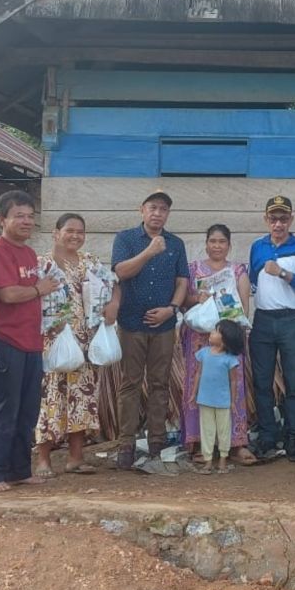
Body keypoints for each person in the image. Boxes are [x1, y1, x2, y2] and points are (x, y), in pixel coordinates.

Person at [0, 190, 61, 493]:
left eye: (30, 216)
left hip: (31, 342)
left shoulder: (28, 253)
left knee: (27, 411)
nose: (27, 221)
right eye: (19, 216)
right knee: (3, 409)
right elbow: (8, 294)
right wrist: (41, 289)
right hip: (4, 341)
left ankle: (18, 470)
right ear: (2, 219)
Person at [33, 213, 120, 478]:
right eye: (69, 231)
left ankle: (75, 457)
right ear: (55, 232)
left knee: (82, 397)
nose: (75, 236)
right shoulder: (42, 264)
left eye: (80, 232)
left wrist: (114, 304)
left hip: (85, 340)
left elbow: (114, 284)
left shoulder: (90, 262)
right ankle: (44, 459)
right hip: (53, 339)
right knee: (51, 396)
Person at [111, 190, 189, 468]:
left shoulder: (176, 244)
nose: (157, 213)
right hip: (131, 323)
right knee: (130, 383)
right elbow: (120, 272)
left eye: (163, 209)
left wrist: (172, 308)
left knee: (160, 383)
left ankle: (157, 442)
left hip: (164, 325)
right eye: (153, 208)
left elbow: (182, 281)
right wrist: (149, 251)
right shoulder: (125, 239)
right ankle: (126, 445)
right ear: (141, 210)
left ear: (168, 214)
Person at [178, 224, 257, 465]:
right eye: (212, 241)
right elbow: (183, 301)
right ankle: (200, 443)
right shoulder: (193, 270)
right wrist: (197, 298)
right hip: (199, 341)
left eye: (222, 242)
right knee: (199, 386)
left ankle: (236, 443)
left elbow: (244, 306)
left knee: (232, 388)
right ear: (206, 243)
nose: (217, 246)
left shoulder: (237, 271)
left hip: (229, 340)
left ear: (229, 245)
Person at [248, 195, 295, 462]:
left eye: (283, 219)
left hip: (291, 320)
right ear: (266, 220)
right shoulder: (257, 246)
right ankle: (267, 437)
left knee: (293, 382)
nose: (278, 224)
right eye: (273, 219)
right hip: (263, 319)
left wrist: (283, 273)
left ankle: (293, 438)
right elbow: (252, 282)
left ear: (291, 220)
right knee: (262, 382)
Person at [190, 319, 246, 475]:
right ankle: (208, 461)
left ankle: (222, 460)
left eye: (216, 331)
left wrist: (233, 400)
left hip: (223, 401)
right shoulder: (203, 353)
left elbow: (233, 381)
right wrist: (194, 393)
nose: (211, 333)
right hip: (205, 398)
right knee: (206, 430)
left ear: (224, 340)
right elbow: (198, 374)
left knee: (223, 430)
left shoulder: (230, 359)